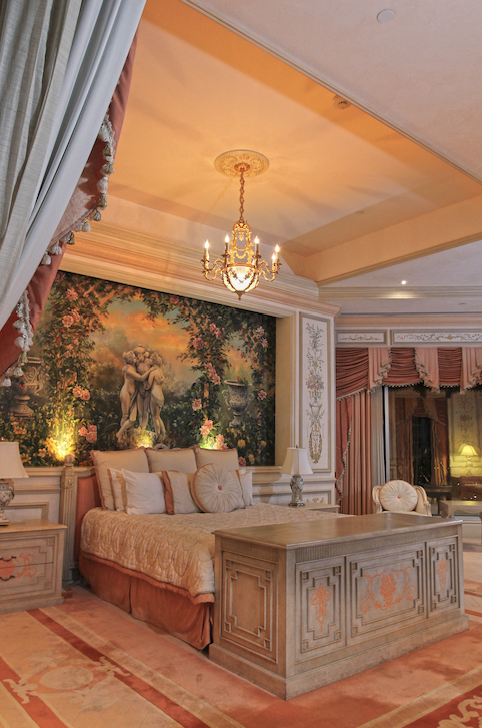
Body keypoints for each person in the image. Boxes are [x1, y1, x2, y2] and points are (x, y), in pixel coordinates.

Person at [116, 350, 153, 441]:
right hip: (126, 393)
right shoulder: (128, 369)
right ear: (131, 360)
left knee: (132, 419)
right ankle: (122, 435)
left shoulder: (133, 367)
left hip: (133, 394)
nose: (136, 358)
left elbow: (142, 361)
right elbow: (141, 378)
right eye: (134, 357)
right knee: (125, 416)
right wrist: (151, 370)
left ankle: (123, 434)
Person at [148, 351, 166, 439]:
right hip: (161, 396)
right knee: (158, 417)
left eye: (151, 359)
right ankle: (165, 434)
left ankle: (158, 435)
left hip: (154, 395)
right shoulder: (160, 371)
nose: (149, 360)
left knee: (155, 417)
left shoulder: (153, 372)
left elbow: (148, 385)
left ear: (153, 361)